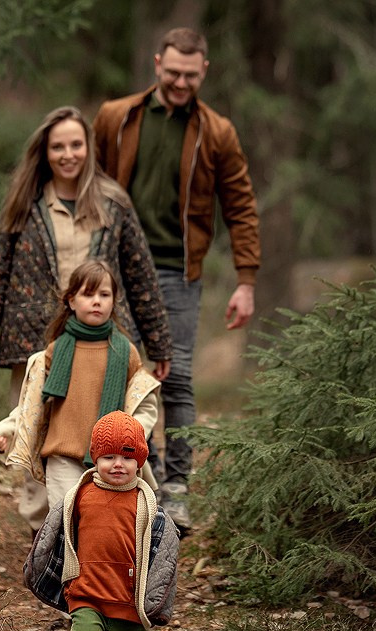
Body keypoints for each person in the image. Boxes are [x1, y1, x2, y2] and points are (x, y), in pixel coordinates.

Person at [0, 106, 172, 531]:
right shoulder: (24, 204)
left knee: (113, 431)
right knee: (37, 428)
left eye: (76, 144)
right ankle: (45, 531)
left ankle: (117, 525)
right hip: (36, 339)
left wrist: (158, 341)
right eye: (58, 146)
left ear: (88, 148)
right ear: (45, 151)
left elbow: (139, 274)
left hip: (105, 342)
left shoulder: (113, 203)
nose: (68, 154)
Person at [94, 28, 261, 530]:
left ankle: (177, 488)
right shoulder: (117, 117)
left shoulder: (217, 132)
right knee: (120, 375)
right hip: (117, 271)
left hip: (177, 272)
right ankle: (126, 482)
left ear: (204, 70)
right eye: (173, 73)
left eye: (191, 75)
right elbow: (88, 186)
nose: (181, 82)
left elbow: (240, 206)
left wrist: (246, 280)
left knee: (178, 377)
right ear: (156, 64)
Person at [23, 410, 180, 631]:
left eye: (127, 457)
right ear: (95, 458)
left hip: (129, 599)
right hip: (87, 592)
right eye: (108, 457)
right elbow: (54, 534)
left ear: (140, 461)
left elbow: (164, 557)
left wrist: (155, 601)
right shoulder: (78, 497)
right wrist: (47, 572)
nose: (117, 464)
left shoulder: (148, 506)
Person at [0, 261, 161, 513]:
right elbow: (31, 405)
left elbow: (144, 404)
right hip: (62, 456)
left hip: (111, 459)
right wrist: (7, 430)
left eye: (104, 295)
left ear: (114, 302)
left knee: (103, 519)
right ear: (71, 301)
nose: (97, 301)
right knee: (68, 518)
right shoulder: (55, 351)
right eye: (88, 294)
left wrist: (131, 436)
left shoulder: (126, 352)